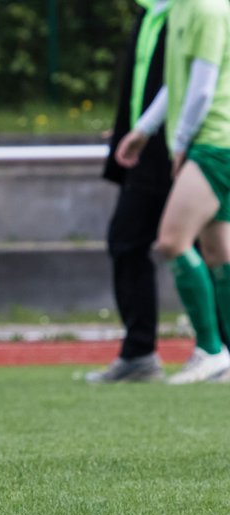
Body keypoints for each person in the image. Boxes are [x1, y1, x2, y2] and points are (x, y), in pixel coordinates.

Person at [117, 0, 230, 383]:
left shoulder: (206, 9)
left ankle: (212, 351)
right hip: (209, 142)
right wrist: (144, 130)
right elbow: (176, 83)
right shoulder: (179, 9)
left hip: (215, 143)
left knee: (171, 241)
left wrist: (180, 142)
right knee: (217, 251)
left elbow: (202, 86)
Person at [90, 0, 173, 383]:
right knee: (131, 240)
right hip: (150, 146)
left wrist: (145, 130)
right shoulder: (150, 12)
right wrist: (131, 127)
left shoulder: (194, 11)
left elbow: (190, 83)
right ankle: (141, 351)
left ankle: (216, 349)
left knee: (202, 246)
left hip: (181, 145)